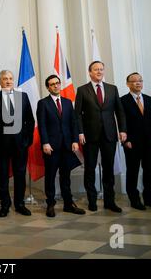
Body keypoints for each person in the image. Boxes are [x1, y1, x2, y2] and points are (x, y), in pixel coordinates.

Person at [75, 61, 127, 212]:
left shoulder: (112, 89)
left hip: (110, 135)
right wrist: (80, 132)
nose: (99, 72)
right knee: (90, 169)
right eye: (96, 69)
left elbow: (120, 111)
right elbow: (77, 114)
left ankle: (109, 201)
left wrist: (122, 130)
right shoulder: (82, 90)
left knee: (108, 169)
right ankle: (92, 201)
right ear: (89, 72)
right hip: (90, 136)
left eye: (101, 69)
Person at [0, 70, 35, 217]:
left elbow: (30, 120)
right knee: (2, 174)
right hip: (1, 143)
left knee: (20, 174)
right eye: (5, 79)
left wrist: (27, 139)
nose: (8, 81)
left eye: (10, 78)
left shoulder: (23, 96)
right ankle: (5, 204)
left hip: (20, 144)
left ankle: (20, 204)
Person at [37, 75, 86, 217]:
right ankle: (50, 204)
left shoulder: (67, 102)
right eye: (52, 84)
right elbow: (42, 125)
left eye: (57, 83)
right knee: (51, 177)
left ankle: (68, 204)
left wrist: (75, 140)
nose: (56, 86)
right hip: (51, 147)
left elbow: (73, 123)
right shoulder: (43, 103)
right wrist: (45, 142)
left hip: (67, 146)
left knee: (66, 177)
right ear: (48, 87)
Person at [121, 72, 151, 210]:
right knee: (133, 171)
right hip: (132, 143)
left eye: (140, 80)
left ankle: (150, 198)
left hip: (149, 141)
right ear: (128, 84)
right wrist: (125, 140)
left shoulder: (149, 100)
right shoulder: (123, 101)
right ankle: (134, 199)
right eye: (134, 81)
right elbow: (122, 122)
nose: (138, 83)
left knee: (149, 170)